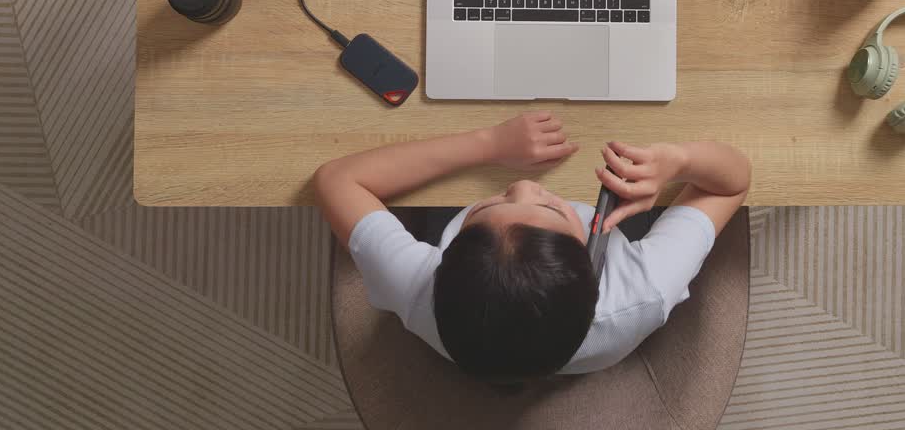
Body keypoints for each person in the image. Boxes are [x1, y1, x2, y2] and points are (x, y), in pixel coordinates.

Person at [314, 111, 751, 381]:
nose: (523, 184)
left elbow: (336, 180)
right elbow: (732, 182)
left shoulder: (419, 288)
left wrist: (488, 144)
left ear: (438, 262)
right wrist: (678, 161)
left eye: (494, 203)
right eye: (551, 210)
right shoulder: (643, 288)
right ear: (592, 260)